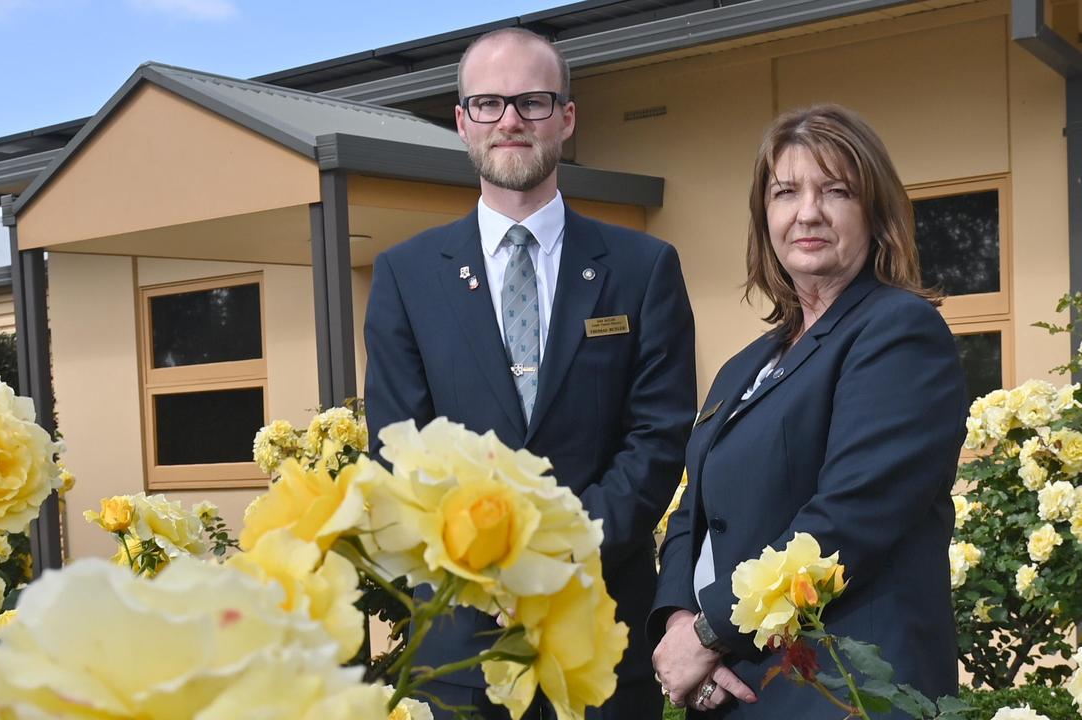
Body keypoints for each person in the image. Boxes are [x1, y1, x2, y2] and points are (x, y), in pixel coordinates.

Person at [363, 27, 697, 720]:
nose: (509, 119)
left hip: (600, 639)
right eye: (486, 103)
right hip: (462, 647)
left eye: (533, 101)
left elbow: (658, 439)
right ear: (461, 123)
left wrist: (557, 558)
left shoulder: (642, 270)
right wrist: (489, 570)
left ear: (566, 118)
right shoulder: (405, 276)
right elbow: (400, 450)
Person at [648, 104, 965, 717]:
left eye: (836, 191)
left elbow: (848, 518)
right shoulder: (747, 364)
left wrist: (710, 633)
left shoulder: (898, 332)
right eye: (785, 192)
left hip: (843, 692)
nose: (807, 212)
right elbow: (695, 508)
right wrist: (679, 622)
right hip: (740, 689)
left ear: (874, 214)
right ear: (764, 217)